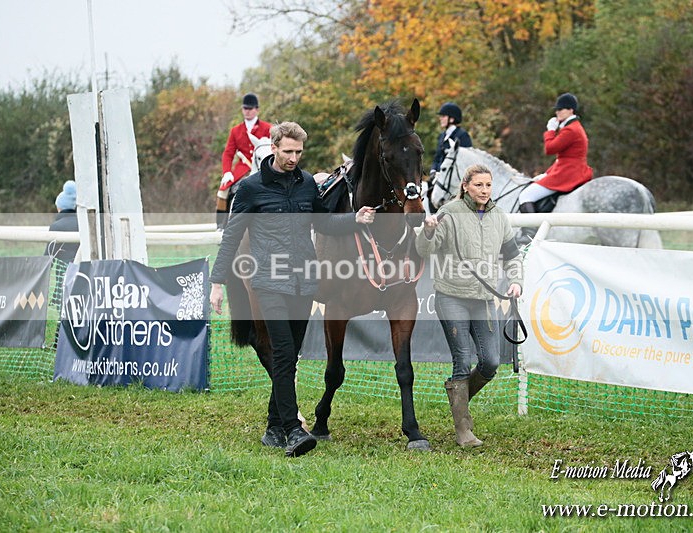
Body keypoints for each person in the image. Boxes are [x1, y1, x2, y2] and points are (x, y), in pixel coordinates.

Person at [209, 122, 376, 458]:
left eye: (298, 152)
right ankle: (292, 430)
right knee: (284, 353)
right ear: (274, 148)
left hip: (304, 283)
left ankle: (272, 427)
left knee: (290, 358)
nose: (293, 158)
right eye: (288, 151)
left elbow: (323, 222)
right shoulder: (251, 188)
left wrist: (355, 218)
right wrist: (217, 282)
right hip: (269, 282)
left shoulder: (305, 185)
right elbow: (231, 235)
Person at [415, 164, 522, 447]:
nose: (484, 190)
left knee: (491, 362)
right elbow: (424, 250)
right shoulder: (449, 213)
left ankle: (458, 396)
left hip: (484, 299)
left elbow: (512, 256)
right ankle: (463, 429)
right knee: (462, 360)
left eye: (488, 185)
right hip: (451, 296)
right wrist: (426, 232)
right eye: (478, 185)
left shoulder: (499, 217)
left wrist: (516, 281)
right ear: (465, 186)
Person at [516, 92, 593, 243]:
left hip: (568, 173)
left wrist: (550, 130)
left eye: (561, 109)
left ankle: (530, 234)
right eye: (557, 110)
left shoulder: (571, 130)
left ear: (571, 110)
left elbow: (550, 149)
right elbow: (563, 157)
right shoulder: (573, 127)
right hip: (567, 169)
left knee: (525, 196)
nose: (557, 112)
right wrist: (546, 173)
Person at [216, 93, 273, 228]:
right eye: (245, 108)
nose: (247, 111)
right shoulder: (236, 130)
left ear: (257, 110)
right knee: (223, 191)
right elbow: (228, 153)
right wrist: (227, 172)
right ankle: (221, 226)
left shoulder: (268, 128)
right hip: (242, 168)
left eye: (250, 108)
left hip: (263, 166)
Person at [428, 102, 472, 187]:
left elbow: (466, 161)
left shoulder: (462, 135)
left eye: (443, 116)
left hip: (453, 180)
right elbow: (437, 157)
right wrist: (433, 170)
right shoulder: (442, 136)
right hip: (438, 178)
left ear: (451, 119)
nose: (440, 119)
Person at [45, 180, 79, 264]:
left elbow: (47, 259)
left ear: (59, 208)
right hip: (86, 274)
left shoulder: (56, 227)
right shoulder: (84, 225)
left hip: (63, 275)